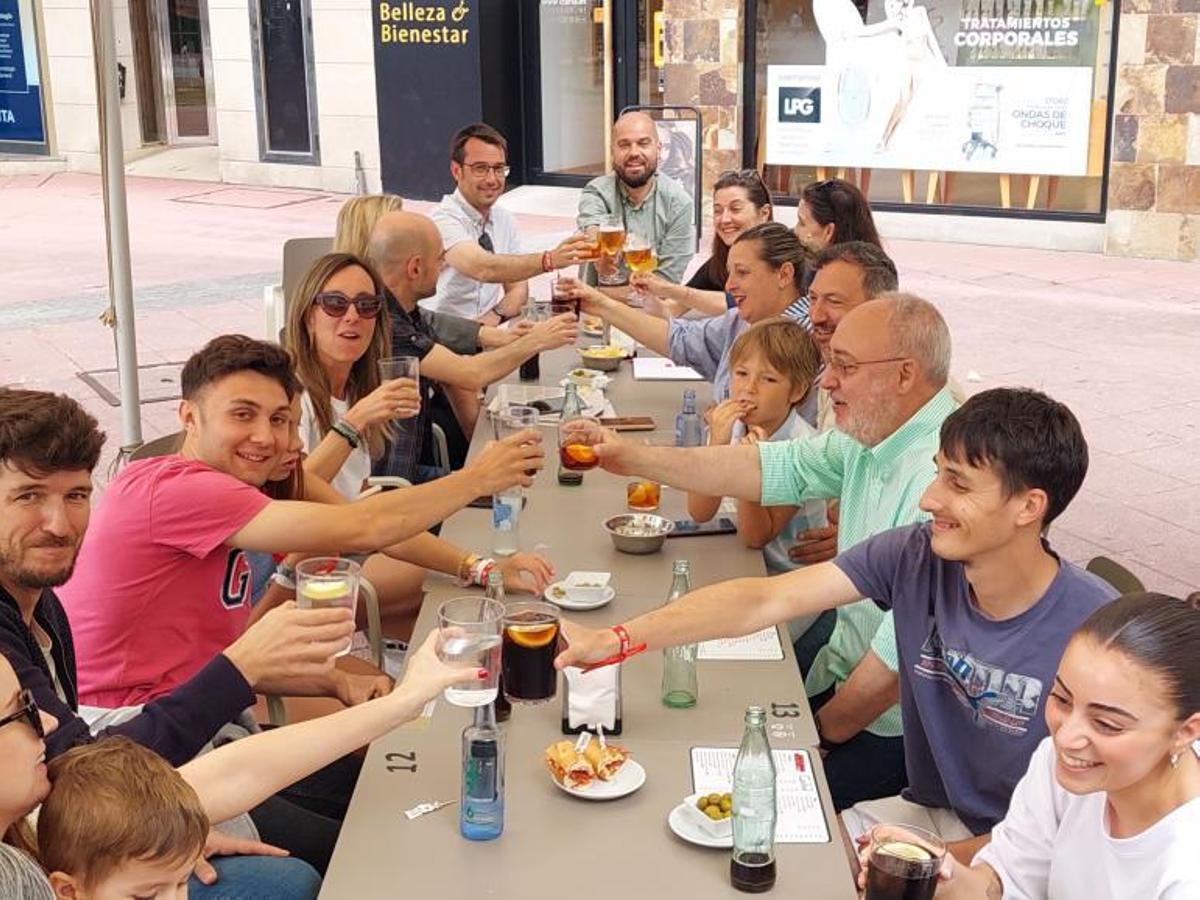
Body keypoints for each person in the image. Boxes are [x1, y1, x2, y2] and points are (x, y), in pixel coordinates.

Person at [557, 387, 1119, 863]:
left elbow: (1090, 822)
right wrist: (616, 639)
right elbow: (760, 601)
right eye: (936, 476)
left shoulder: (1097, 631)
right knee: (763, 851)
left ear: (1029, 507)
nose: (928, 499)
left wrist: (935, 863)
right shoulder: (919, 555)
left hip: (1029, 851)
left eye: (959, 485)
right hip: (929, 811)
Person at [562, 294, 960, 812]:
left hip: (894, 732)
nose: (828, 382)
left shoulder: (943, 476)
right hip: (839, 678)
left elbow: (890, 668)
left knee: (749, 801)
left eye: (844, 366)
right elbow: (766, 469)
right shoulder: (877, 432)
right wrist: (631, 455)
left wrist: (816, 736)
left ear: (905, 374)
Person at [0, 388, 344, 895]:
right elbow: (84, 772)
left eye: (75, 495)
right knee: (290, 878)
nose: (59, 524)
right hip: (67, 849)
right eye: (29, 496)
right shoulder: (169, 494)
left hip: (122, 797)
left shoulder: (41, 600)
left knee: (342, 787)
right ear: (191, 419)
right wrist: (239, 670)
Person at [0, 630, 479, 898]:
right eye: (18, 712)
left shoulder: (33, 815)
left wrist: (406, 702)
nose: (44, 720)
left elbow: (238, 771)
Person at [283, 252, 554, 636]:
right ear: (308, 315)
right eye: (334, 303)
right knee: (456, 596)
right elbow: (292, 494)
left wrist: (480, 566)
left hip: (350, 545)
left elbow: (369, 515)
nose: (351, 316)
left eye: (366, 305)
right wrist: (355, 422)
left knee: (463, 602)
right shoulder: (289, 398)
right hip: (296, 578)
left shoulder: (355, 388)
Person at [897, 592, 1200, 899]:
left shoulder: (1187, 871)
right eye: (1062, 699)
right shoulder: (1061, 765)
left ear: (1186, 731)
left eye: (1106, 724)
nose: (1066, 737)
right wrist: (952, 882)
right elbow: (1008, 875)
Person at [366, 210, 576, 483]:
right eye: (440, 259)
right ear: (415, 267)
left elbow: (454, 375)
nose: (444, 266)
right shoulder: (387, 324)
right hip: (397, 485)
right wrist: (535, 340)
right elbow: (470, 374)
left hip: (414, 472)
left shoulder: (405, 312)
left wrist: (479, 448)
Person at [685, 319, 829, 644]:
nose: (749, 388)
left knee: (723, 645)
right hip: (745, 569)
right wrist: (716, 446)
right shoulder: (735, 427)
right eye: (741, 374)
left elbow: (756, 536)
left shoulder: (801, 449)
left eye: (768, 379)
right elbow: (699, 511)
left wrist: (743, 467)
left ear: (797, 391)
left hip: (790, 583)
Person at [562, 223, 809, 403]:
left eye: (742, 273)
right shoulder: (742, 321)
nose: (729, 285)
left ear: (784, 275)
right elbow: (679, 338)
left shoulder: (806, 338)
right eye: (730, 273)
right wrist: (598, 304)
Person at [423, 123, 593, 323]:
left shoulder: (504, 219)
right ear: (456, 171)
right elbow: (482, 267)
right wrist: (549, 260)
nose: (492, 179)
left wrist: (493, 317)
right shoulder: (442, 219)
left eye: (498, 169)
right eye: (480, 169)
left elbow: (518, 289)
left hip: (483, 336)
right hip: (439, 338)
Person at [333, 193, 529, 355]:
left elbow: (430, 322)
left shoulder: (388, 301)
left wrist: (497, 336)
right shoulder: (369, 312)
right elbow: (466, 374)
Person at [577, 110, 695, 290]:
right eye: (624, 145)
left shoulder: (679, 203)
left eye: (643, 143)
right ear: (612, 152)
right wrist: (599, 249)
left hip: (647, 311)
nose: (634, 153)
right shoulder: (597, 190)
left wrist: (609, 296)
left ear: (658, 149)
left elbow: (667, 281)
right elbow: (592, 225)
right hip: (597, 313)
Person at [632, 168, 773, 318]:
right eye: (718, 211)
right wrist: (649, 294)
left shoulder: (780, 255)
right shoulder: (717, 263)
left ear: (764, 213)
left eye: (735, 209)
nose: (724, 219)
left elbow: (739, 302)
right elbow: (672, 309)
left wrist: (669, 289)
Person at [794, 178, 882, 263]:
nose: (795, 230)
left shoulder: (821, 275)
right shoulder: (878, 271)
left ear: (829, 231)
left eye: (802, 222)